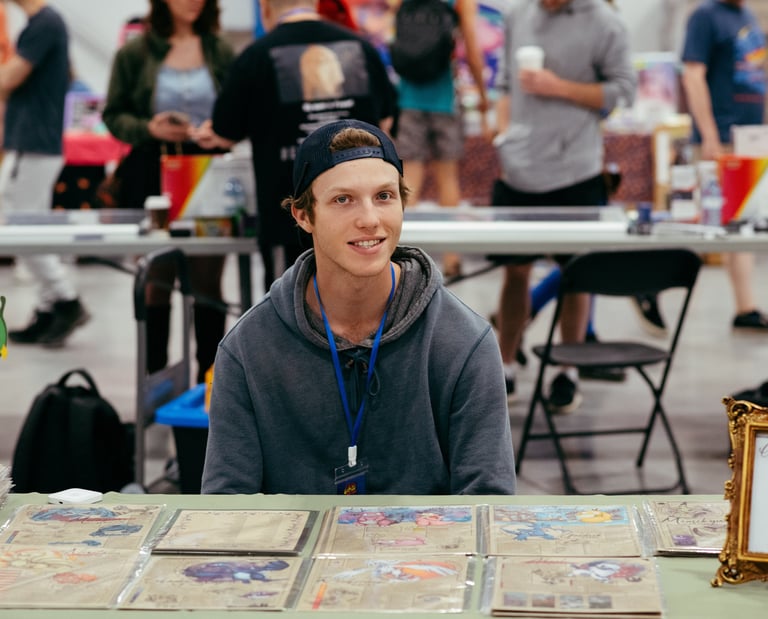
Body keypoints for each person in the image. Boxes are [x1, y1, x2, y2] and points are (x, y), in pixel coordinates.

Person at [201, 119, 517, 495]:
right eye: (343, 199)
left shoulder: (465, 342)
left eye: (384, 196)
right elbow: (228, 508)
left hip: (429, 554)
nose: (369, 220)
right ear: (303, 216)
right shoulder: (247, 350)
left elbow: (487, 504)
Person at [490, 0, 635, 411]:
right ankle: (505, 365)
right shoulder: (518, 16)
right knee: (514, 273)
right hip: (518, 171)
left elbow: (623, 90)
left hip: (577, 171)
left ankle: (567, 370)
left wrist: (559, 87)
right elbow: (504, 85)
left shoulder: (605, 23)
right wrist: (504, 137)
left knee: (576, 276)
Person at [195, 0, 396, 292]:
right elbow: (386, 122)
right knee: (362, 308)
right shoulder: (360, 48)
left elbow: (225, 132)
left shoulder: (255, 57)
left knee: (288, 314)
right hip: (360, 217)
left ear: (265, 8)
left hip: (286, 218)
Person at [102, 0, 235, 383]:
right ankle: (155, 382)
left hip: (208, 171)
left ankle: (210, 386)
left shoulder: (220, 49)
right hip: (152, 174)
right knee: (156, 279)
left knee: (208, 280)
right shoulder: (135, 52)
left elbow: (240, 110)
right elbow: (114, 114)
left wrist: (219, 128)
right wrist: (150, 128)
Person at [1, 0, 90, 347]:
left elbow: (9, 77)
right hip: (33, 140)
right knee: (27, 222)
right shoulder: (40, 23)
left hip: (35, 141)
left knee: (20, 224)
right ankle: (49, 306)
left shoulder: (44, 23)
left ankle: (65, 298)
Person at [681, 0, 768, 332]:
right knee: (697, 219)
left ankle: (745, 307)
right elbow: (693, 75)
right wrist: (709, 135)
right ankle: (649, 283)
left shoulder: (746, 15)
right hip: (720, 139)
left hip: (748, 139)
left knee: (742, 221)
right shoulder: (705, 16)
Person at [393, 0, 488, 278]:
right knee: (448, 179)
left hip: (408, 98)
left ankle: (398, 256)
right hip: (444, 97)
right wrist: (482, 95)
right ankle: (452, 259)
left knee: (409, 179)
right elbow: (471, 46)